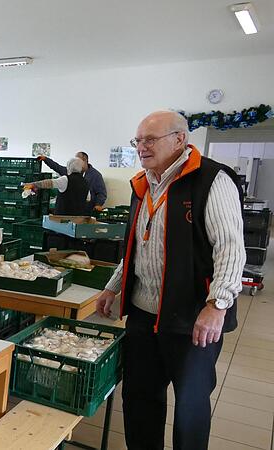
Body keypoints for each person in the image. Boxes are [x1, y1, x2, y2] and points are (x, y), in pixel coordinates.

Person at [96, 111, 244, 450]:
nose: (142, 147)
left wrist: (217, 304)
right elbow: (136, 247)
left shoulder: (211, 179)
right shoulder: (142, 183)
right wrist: (113, 286)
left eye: (151, 139)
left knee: (190, 406)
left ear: (180, 139)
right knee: (139, 400)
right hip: (143, 316)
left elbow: (231, 247)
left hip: (191, 319)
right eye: (138, 141)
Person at [39, 151, 107, 211]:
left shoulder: (95, 175)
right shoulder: (70, 171)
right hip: (69, 208)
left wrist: (98, 204)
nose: (75, 162)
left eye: (77, 160)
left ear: (85, 160)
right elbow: (57, 167)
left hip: (86, 209)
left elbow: (101, 193)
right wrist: (46, 159)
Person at [23, 157, 91, 216]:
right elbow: (88, 199)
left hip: (62, 218)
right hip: (78, 218)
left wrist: (33, 184)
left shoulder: (66, 179)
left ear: (69, 167)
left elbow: (49, 183)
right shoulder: (86, 182)